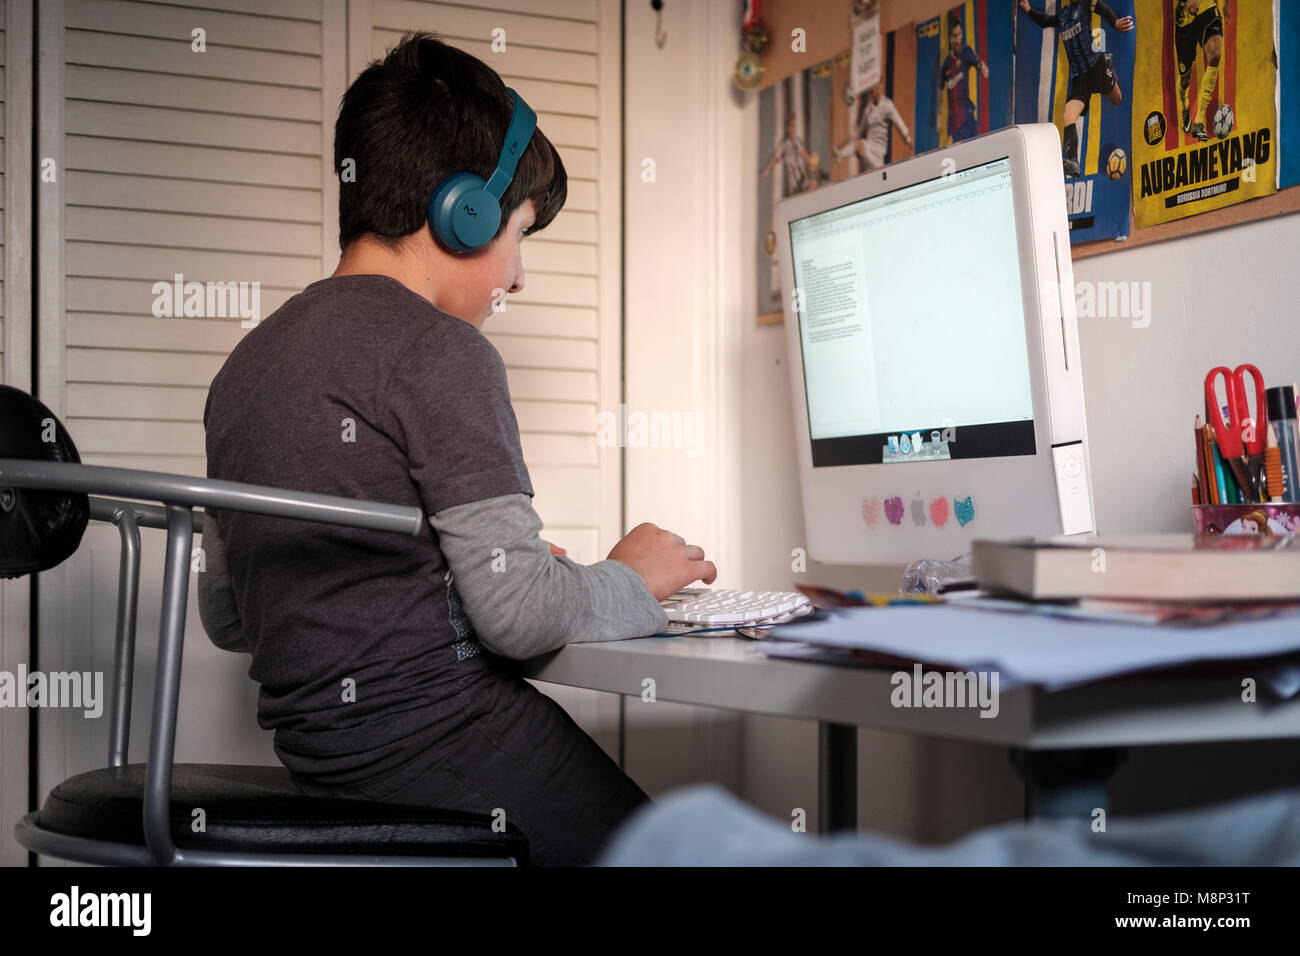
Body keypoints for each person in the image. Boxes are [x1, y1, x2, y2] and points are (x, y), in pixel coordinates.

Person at [200, 30, 717, 867]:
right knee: (683, 853)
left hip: (328, 768)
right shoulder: (441, 351)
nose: (518, 277)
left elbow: (232, 617)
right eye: (519, 233)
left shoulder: (245, 368)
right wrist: (629, 579)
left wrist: (447, 575)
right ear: (462, 213)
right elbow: (518, 618)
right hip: (445, 745)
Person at [1019, 0, 1136, 177]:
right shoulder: (1062, 17)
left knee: (1117, 99)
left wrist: (1115, 22)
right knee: (1068, 116)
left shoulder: (1084, 4)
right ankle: (1073, 162)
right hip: (1079, 78)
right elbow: (1044, 21)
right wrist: (1027, 9)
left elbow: (1102, 8)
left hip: (1095, 67)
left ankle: (1108, 66)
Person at [1173, 0, 1226, 141]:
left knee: (1215, 55)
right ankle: (1184, 104)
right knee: (1185, 78)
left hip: (1207, 7)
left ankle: (1199, 121)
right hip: (1185, 17)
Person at [835, 82, 912, 171]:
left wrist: (907, 138)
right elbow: (862, 126)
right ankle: (840, 154)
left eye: (877, 89)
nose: (874, 92)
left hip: (878, 152)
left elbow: (898, 121)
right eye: (872, 90)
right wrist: (856, 137)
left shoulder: (887, 105)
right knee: (859, 145)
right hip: (869, 146)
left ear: (880, 89)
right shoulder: (869, 108)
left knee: (874, 169)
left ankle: (842, 154)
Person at [938, 18, 989, 144]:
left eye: (959, 34)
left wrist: (982, 67)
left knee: (975, 149)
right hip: (954, 124)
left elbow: (978, 64)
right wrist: (939, 115)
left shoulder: (967, 52)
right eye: (954, 36)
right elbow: (940, 89)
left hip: (967, 117)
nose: (957, 39)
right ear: (949, 38)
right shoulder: (946, 65)